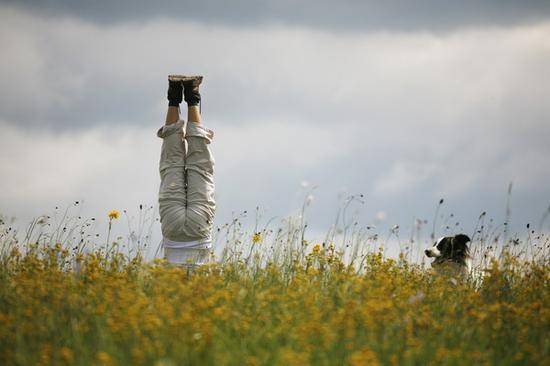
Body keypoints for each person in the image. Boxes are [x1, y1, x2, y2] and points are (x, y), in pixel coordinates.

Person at [156, 76, 216, 267]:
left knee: (200, 167)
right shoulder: (170, 288)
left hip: (198, 230)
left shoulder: (201, 289)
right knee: (171, 164)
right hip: (173, 231)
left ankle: (192, 96)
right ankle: (174, 95)